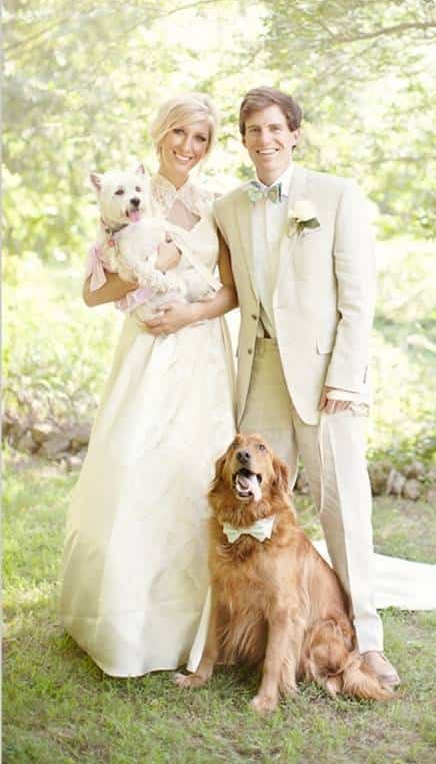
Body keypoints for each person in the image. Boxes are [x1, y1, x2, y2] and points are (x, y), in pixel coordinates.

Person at [212, 86, 401, 687]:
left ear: (295, 133)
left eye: (274, 129)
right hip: (260, 373)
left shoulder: (336, 196)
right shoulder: (228, 209)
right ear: (242, 140)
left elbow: (358, 298)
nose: (264, 140)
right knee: (254, 509)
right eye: (252, 131)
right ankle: (258, 632)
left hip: (326, 379)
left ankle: (367, 643)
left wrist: (345, 377)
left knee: (342, 506)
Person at [60, 93, 237, 677]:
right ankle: (127, 621)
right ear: (161, 134)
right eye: (180, 134)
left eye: (201, 139)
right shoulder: (128, 194)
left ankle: (198, 625)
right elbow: (93, 293)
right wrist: (135, 269)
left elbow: (230, 291)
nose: (189, 147)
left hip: (202, 350)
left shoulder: (217, 203)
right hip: (146, 351)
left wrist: (189, 315)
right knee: (137, 469)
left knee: (194, 473)